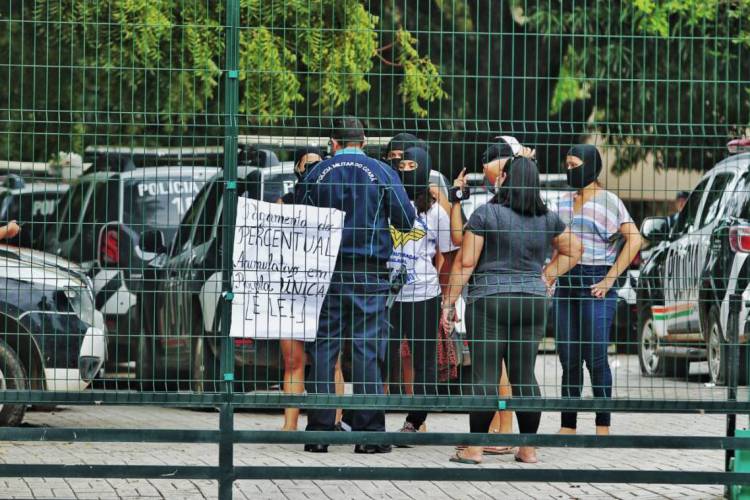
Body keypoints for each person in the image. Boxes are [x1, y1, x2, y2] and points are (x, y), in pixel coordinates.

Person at [442, 157, 582, 464]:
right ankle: (528, 449)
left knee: (485, 376)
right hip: (531, 302)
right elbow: (574, 249)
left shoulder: (486, 214)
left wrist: (449, 302)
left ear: (504, 178)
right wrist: (545, 276)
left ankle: (475, 448)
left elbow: (466, 263)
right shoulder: (547, 218)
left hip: (489, 301)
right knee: (524, 376)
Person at [296, 117, 415, 454]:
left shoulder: (317, 173)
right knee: (367, 349)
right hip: (369, 271)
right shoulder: (382, 172)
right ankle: (369, 433)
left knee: (323, 349)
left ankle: (319, 433)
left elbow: (298, 220)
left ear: (333, 143)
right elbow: (405, 219)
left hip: (325, 270)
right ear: (364, 141)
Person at [448, 136, 534, 455]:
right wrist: (457, 199)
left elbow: (464, 251)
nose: (483, 167)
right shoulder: (502, 199)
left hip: (495, 295)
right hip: (519, 296)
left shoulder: (510, 200)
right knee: (507, 368)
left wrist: (450, 300)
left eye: (489, 160)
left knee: (499, 369)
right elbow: (460, 238)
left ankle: (503, 432)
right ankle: (511, 437)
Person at [554, 144, 643, 436]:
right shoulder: (563, 202)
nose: (569, 169)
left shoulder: (609, 201)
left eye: (574, 163)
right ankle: (568, 425)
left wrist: (609, 279)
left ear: (591, 166)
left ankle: (602, 424)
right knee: (568, 355)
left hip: (596, 282)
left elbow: (635, 240)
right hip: (566, 283)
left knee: (595, 355)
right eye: (566, 164)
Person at [277, 146, 347, 432]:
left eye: (319, 165)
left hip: (327, 290)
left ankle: (338, 420)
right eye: (308, 166)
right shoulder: (285, 202)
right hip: (293, 290)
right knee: (293, 359)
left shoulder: (335, 202)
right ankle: (290, 425)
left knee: (331, 361)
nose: (313, 171)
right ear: (297, 169)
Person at [387, 147, 455, 436]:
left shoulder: (436, 211)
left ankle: (414, 420)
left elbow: (448, 254)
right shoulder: (386, 202)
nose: (405, 169)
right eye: (400, 164)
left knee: (423, 358)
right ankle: (368, 415)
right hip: (387, 294)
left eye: (412, 164)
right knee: (381, 355)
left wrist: (443, 295)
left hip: (423, 293)